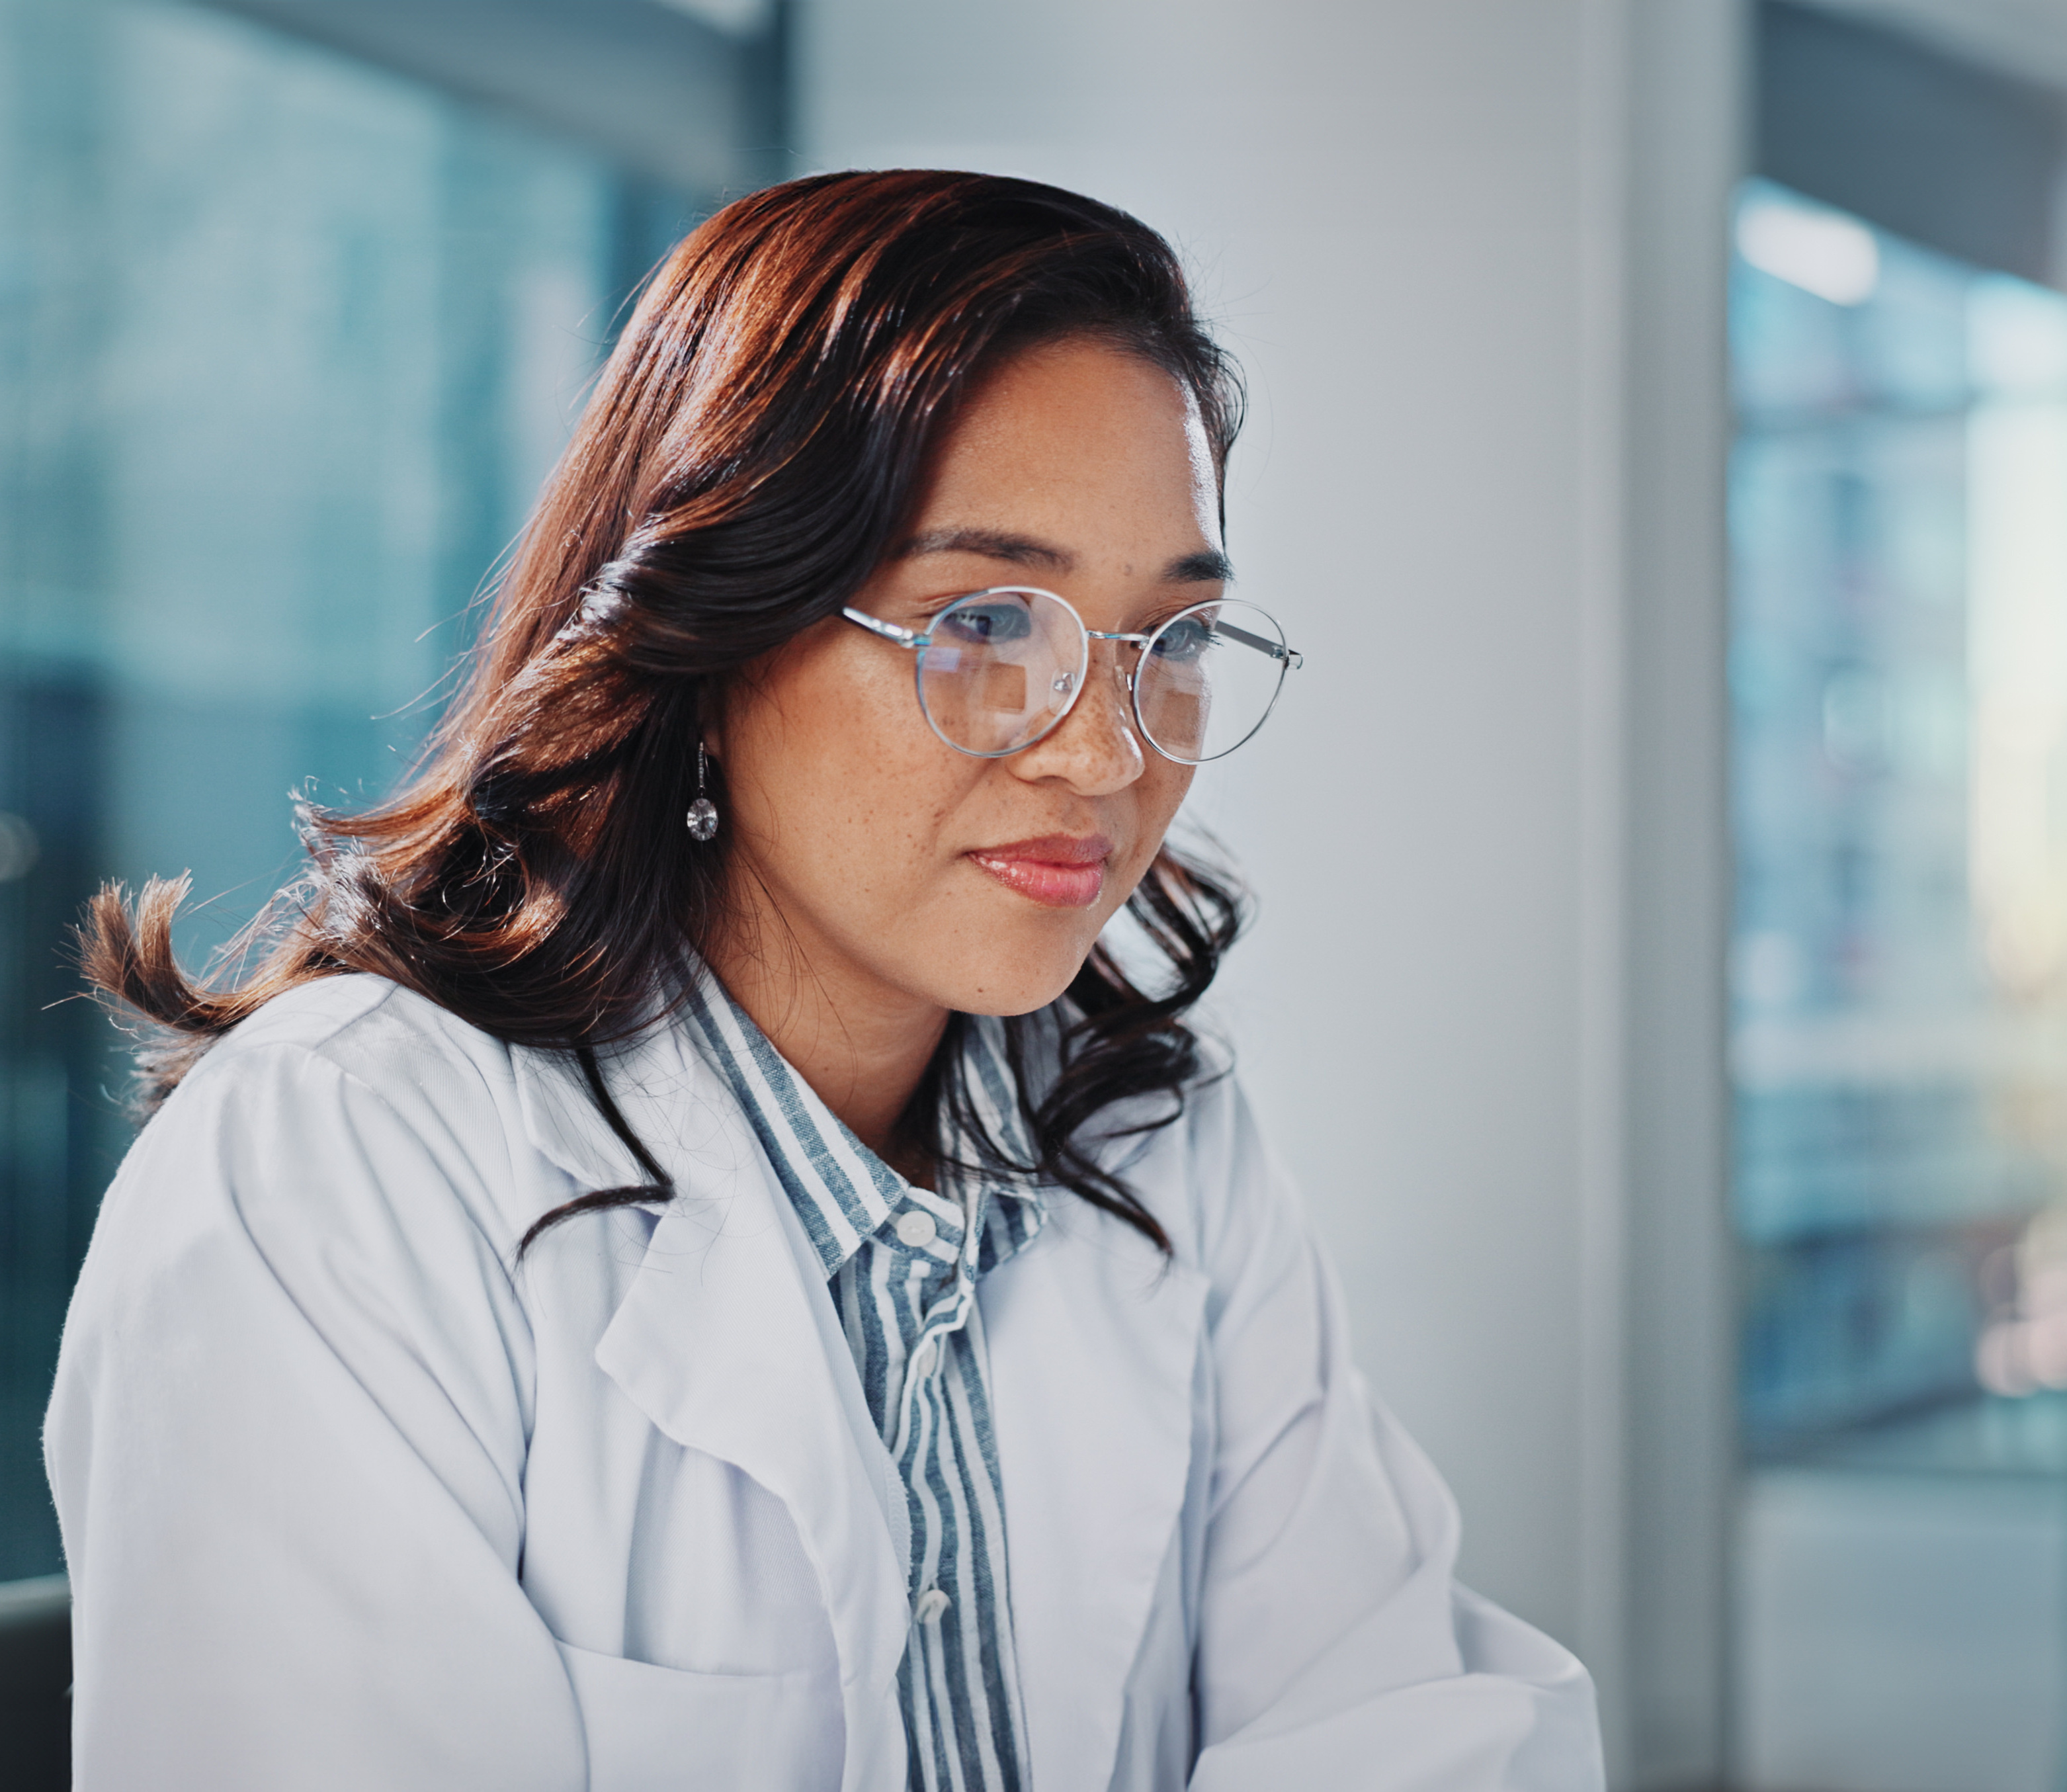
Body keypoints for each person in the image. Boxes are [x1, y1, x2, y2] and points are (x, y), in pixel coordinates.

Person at [46, 170, 1603, 1791]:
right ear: (715, 634)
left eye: (1175, 642)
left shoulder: (1152, 1134)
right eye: (987, 619)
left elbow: (1402, 1718)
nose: (1104, 748)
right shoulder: (343, 1166)